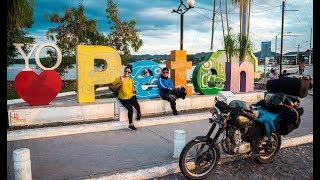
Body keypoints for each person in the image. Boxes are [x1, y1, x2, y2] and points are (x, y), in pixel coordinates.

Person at [110, 64, 141, 130]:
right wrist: (119, 84)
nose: (127, 73)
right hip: (123, 98)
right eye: (126, 71)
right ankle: (130, 124)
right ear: (124, 71)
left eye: (128, 72)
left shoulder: (131, 79)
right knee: (130, 109)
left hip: (131, 95)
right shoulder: (119, 78)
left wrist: (135, 91)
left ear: (130, 73)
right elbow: (111, 87)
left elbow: (132, 88)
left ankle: (139, 113)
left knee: (137, 107)